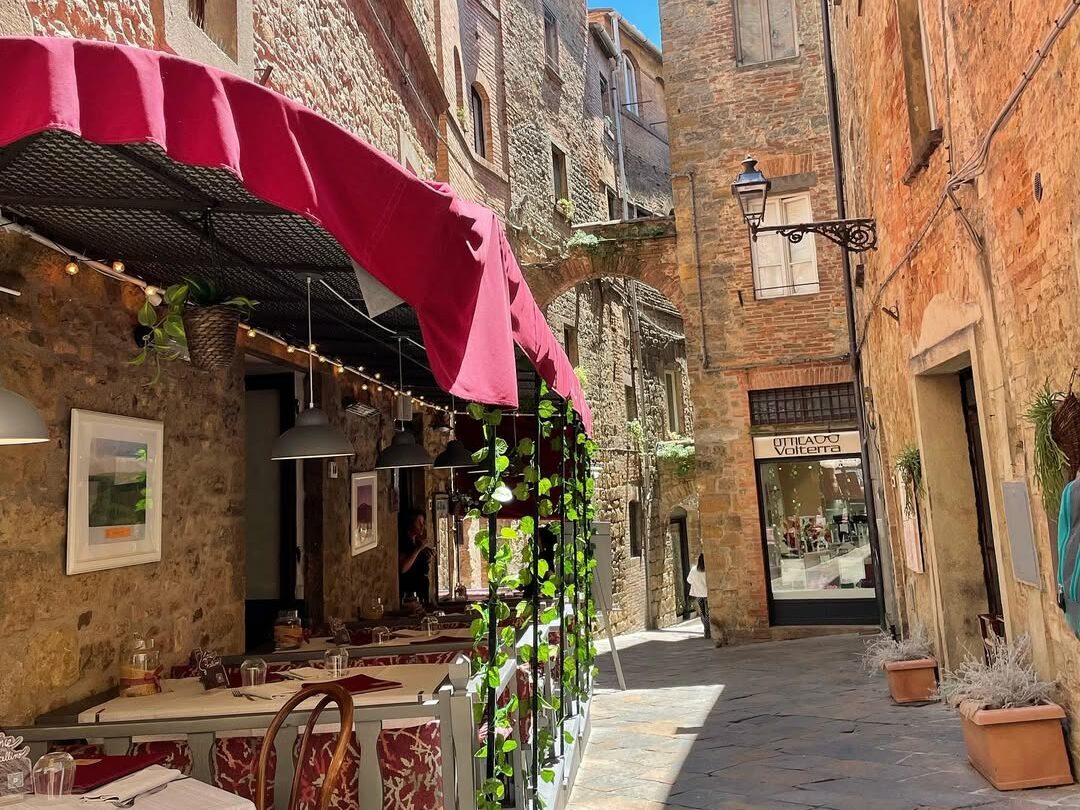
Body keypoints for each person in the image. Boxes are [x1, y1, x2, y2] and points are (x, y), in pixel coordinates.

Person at [399, 509, 433, 607]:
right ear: (410, 524)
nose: (422, 526)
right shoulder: (404, 542)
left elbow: (417, 565)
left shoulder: (417, 542)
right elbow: (403, 568)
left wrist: (428, 558)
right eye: (419, 523)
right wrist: (419, 549)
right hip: (411, 595)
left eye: (423, 523)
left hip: (422, 591)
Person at [686, 553, 710, 639]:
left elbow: (689, 580)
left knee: (703, 613)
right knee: (708, 613)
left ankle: (706, 629)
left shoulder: (693, 570)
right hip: (707, 594)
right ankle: (708, 629)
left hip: (698, 594)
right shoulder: (708, 570)